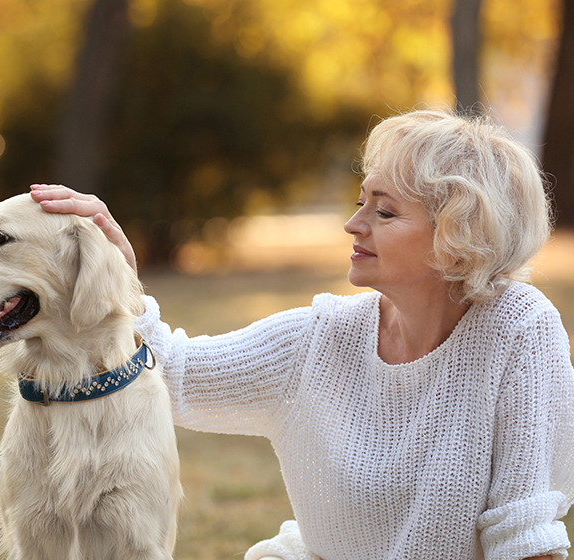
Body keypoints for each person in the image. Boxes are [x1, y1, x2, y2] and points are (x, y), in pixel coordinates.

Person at [29, 109, 574, 560]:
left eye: (385, 211)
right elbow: (173, 373)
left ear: (459, 235)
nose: (354, 224)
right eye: (361, 201)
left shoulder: (518, 327)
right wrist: (120, 274)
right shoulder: (322, 337)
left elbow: (524, 535)